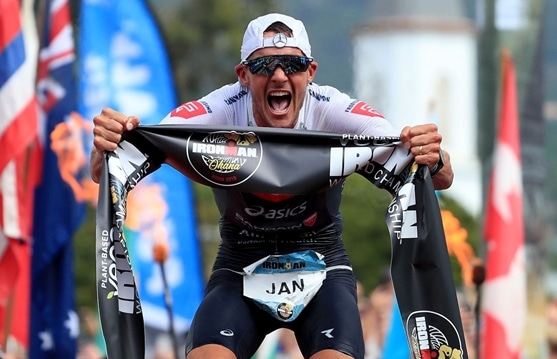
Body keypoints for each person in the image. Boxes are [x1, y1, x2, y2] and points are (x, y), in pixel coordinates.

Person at [89, 13, 453, 359]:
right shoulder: (220, 109)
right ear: (243, 76)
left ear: (310, 73)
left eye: (292, 65)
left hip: (320, 262)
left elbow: (436, 175)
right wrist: (108, 146)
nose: (279, 75)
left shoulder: (334, 110)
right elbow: (126, 160)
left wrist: (432, 155)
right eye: (264, 65)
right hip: (242, 263)